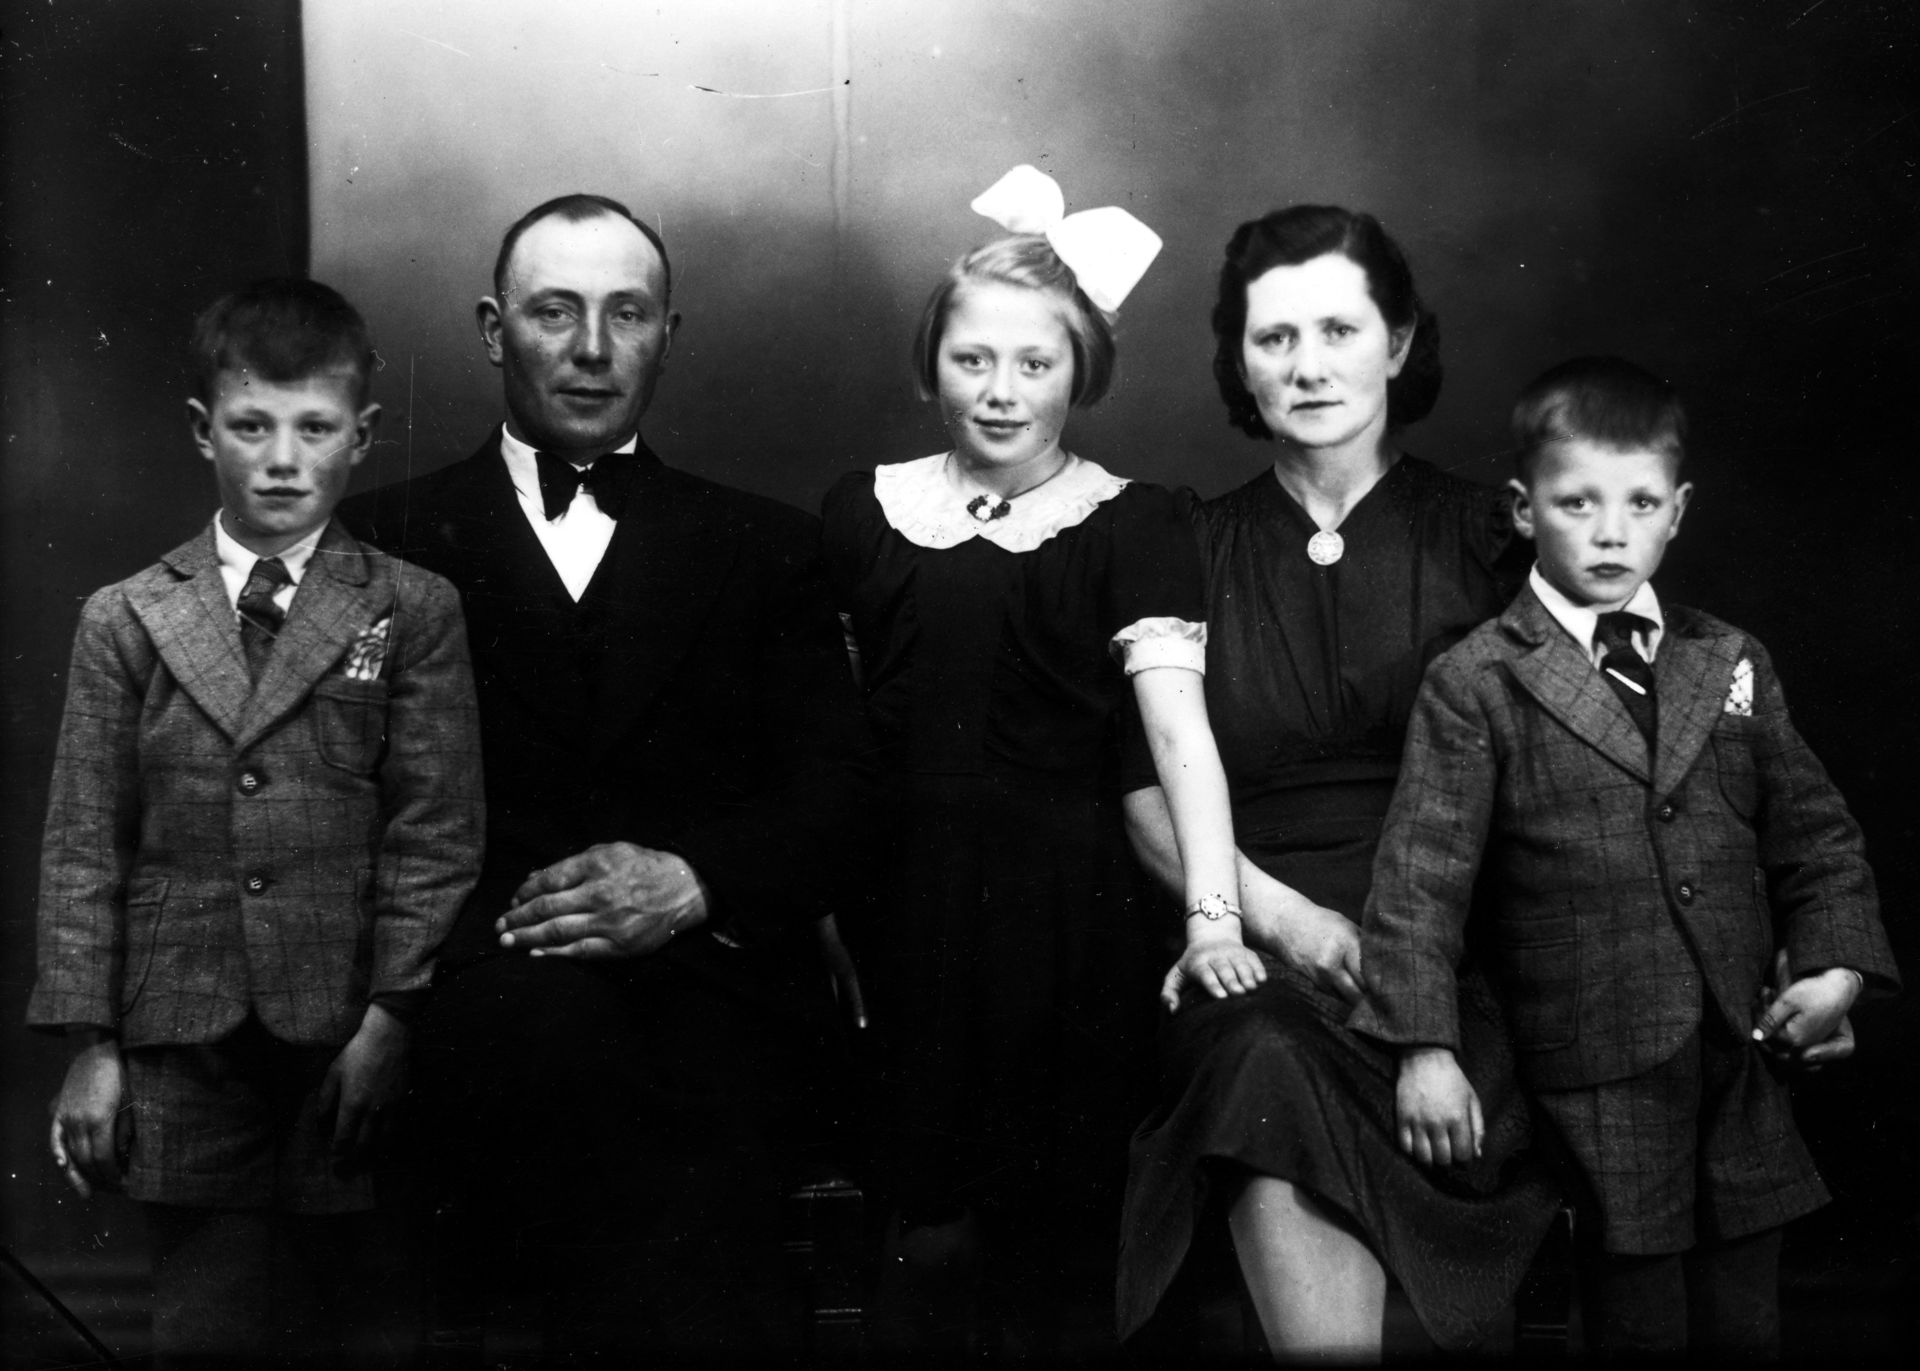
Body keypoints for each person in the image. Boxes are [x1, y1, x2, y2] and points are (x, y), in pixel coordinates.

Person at [341, 193, 872, 1357]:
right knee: (548, 1062)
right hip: (479, 992)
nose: (591, 348)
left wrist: (692, 881)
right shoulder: (380, 541)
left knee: (683, 1118)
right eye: (554, 312)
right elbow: (339, 806)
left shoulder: (768, 547)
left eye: (626, 314)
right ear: (493, 331)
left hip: (713, 990)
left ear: (666, 335)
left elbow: (836, 801)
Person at [1351, 355, 1900, 1357]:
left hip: (1742, 1056)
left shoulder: (1728, 659)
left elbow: (1817, 837)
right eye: (1579, 503)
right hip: (1594, 1068)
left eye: (1640, 503)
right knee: (1638, 1321)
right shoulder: (1479, 681)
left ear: (1677, 512)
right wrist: (1424, 1048)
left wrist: (1836, 972)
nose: (1611, 532)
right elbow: (1421, 882)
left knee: (1746, 1320)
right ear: (1524, 510)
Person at [822, 165, 1253, 1352]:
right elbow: (831, 740)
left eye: (1034, 362)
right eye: (973, 360)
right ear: (931, 365)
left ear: (1082, 371)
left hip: (1064, 917)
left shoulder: (1130, 522)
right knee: (923, 1229)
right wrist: (820, 911)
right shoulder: (865, 512)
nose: (1001, 391)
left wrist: (1213, 919)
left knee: (1055, 1234)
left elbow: (1180, 737)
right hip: (899, 909)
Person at [1118, 205, 1561, 1358]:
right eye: (1274, 338)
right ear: (1238, 361)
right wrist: (1290, 926)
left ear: (1399, 343)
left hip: (1460, 960)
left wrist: (1414, 967)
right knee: (1257, 1050)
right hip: (1255, 943)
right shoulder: (1185, 541)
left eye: (1339, 330)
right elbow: (1145, 794)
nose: (1307, 366)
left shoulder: (1491, 536)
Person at [28, 278, 484, 1365]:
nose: (282, 459)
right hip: (181, 1039)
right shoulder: (128, 616)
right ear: (203, 430)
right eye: (251, 426)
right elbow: (84, 842)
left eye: (314, 428)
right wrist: (93, 1046)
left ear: (361, 435)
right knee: (208, 1325)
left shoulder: (410, 608)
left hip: (351, 1036)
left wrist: (393, 1019)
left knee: (369, 1325)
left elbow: (436, 832)